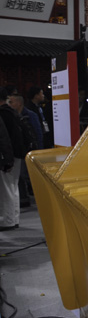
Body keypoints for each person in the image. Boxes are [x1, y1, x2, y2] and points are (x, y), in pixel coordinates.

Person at [0, 89, 29, 230]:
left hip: (8, 155)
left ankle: (7, 220)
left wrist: (6, 157)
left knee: (6, 189)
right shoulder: (12, 112)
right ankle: (14, 217)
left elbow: (4, 138)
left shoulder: (3, 114)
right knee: (13, 186)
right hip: (17, 154)